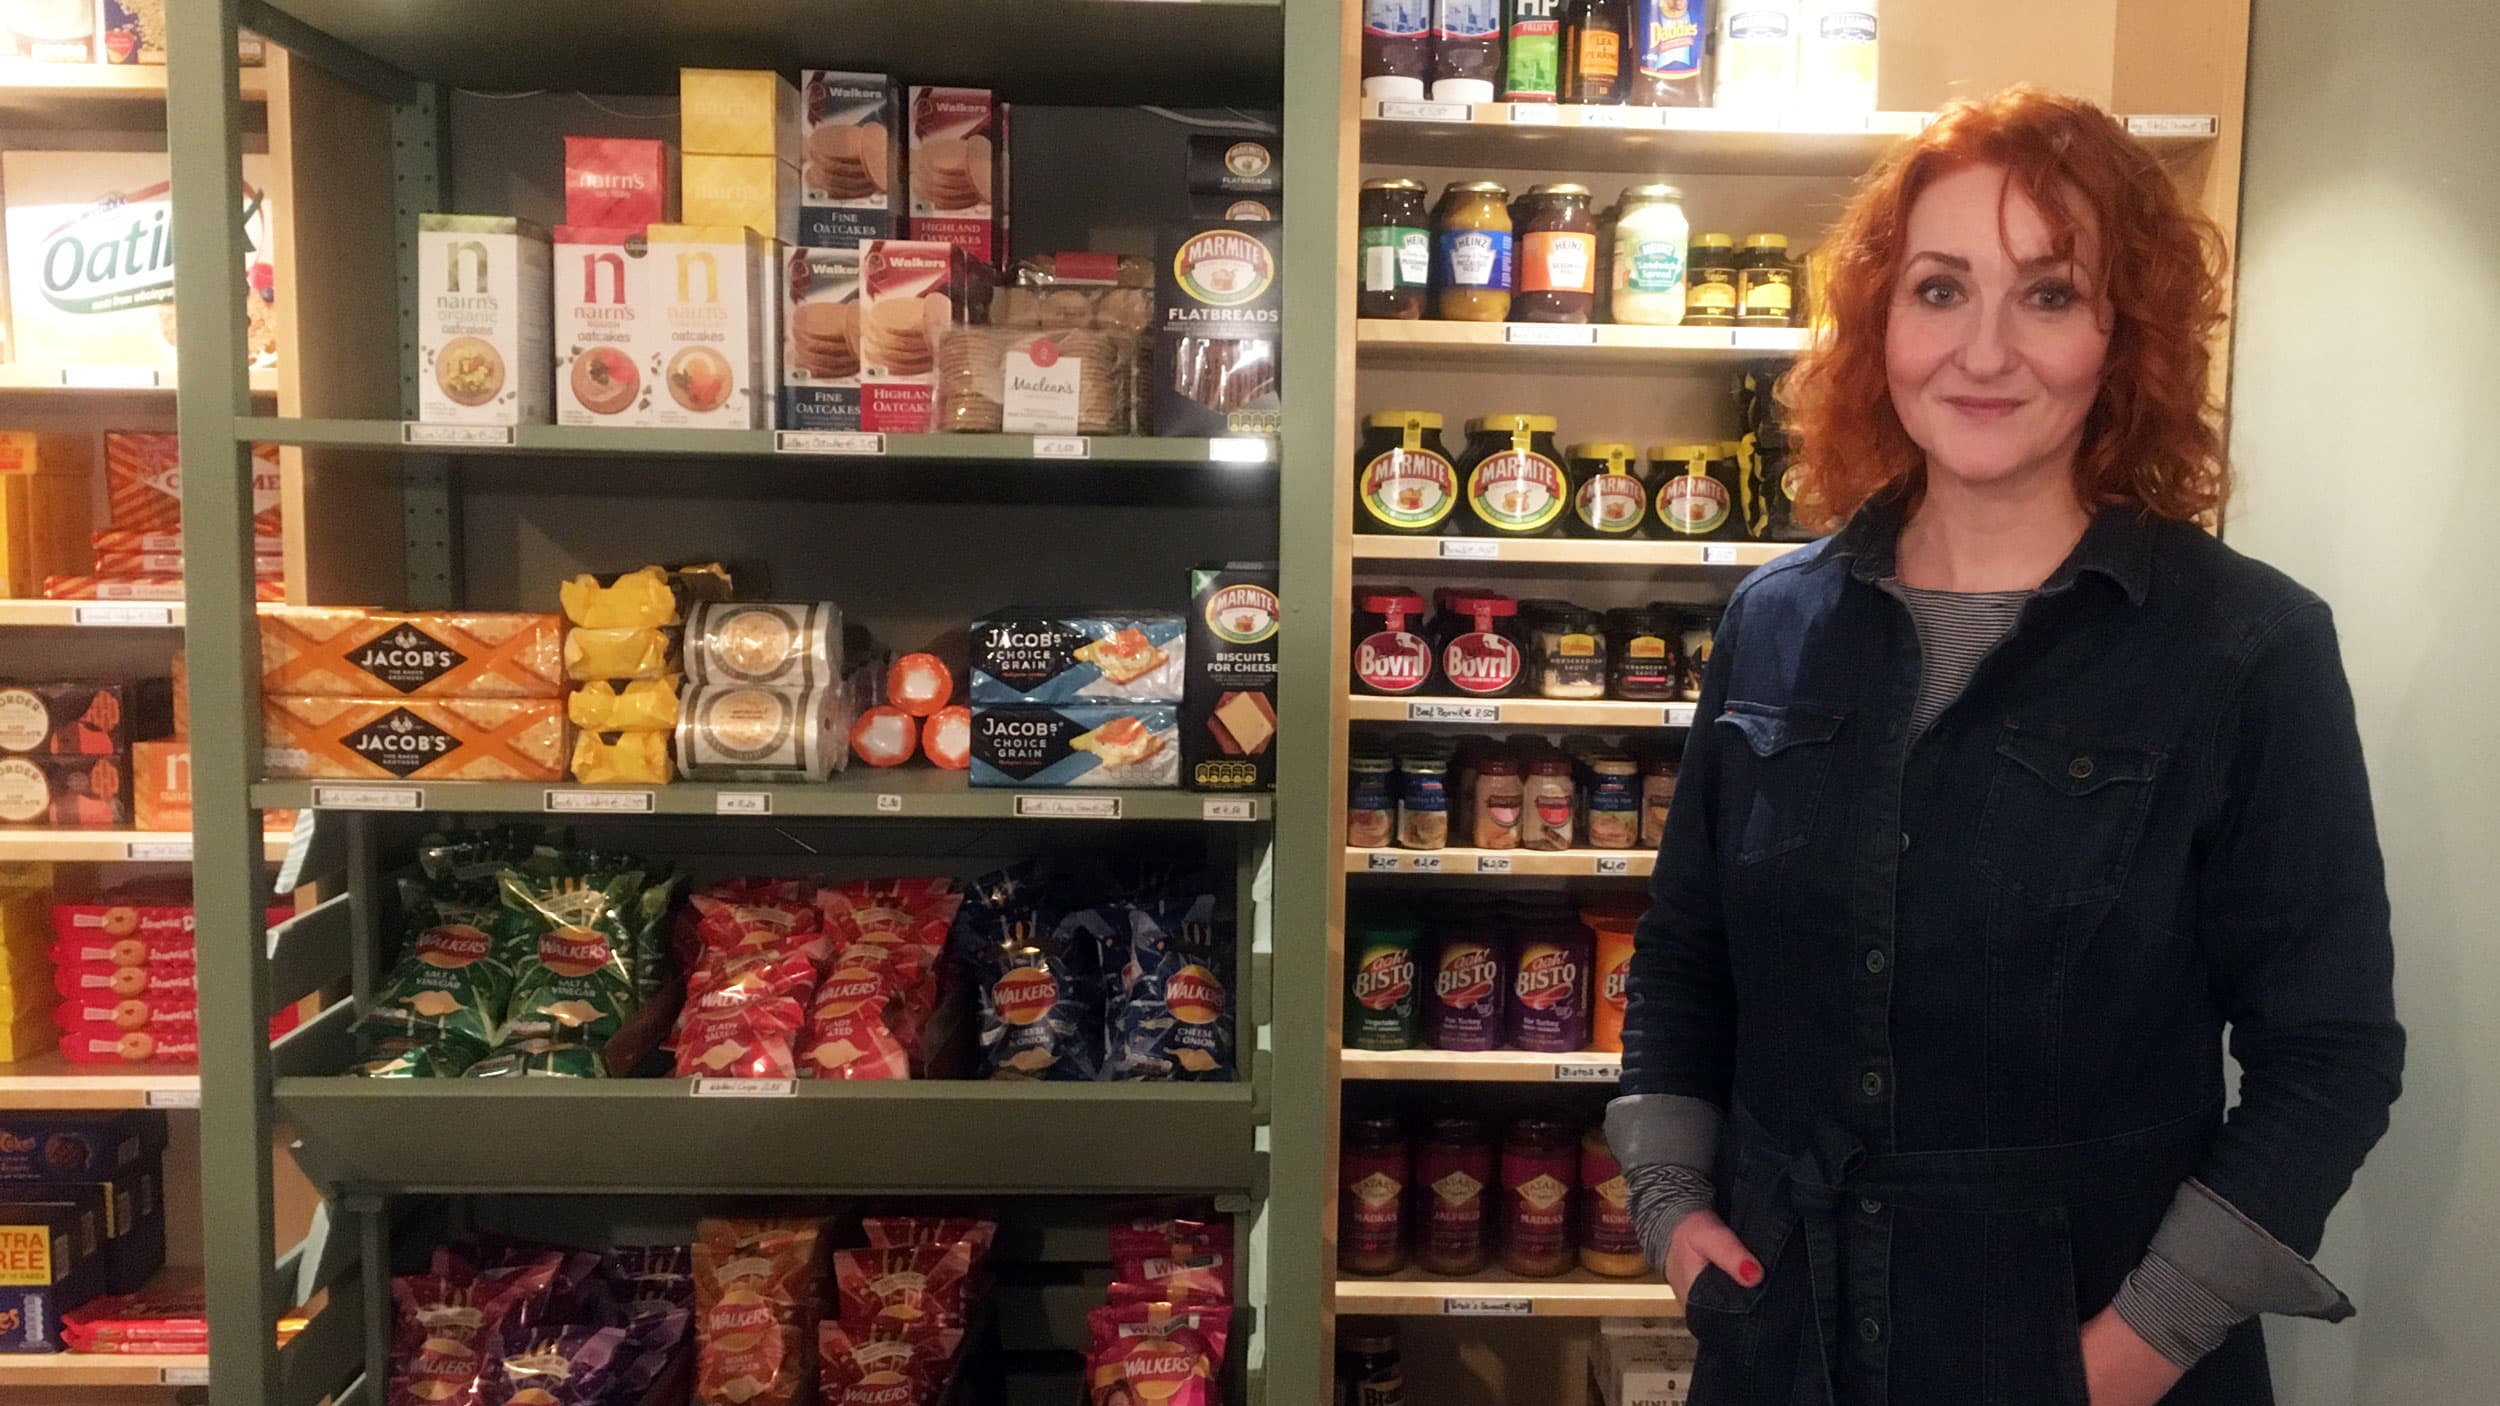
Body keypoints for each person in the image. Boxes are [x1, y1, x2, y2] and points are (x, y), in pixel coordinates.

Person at [1606, 87, 2403, 1406]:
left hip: (2081, 1351)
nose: (1983, 350)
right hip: (1784, 1337)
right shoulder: (1775, 622)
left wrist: (2132, 1350)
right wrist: (1672, 1208)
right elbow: (1688, 958)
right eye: (1938, 289)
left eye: (2046, 294)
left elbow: (2330, 1053)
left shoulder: (2244, 647)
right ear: (1879, 323)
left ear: (2121, 334)